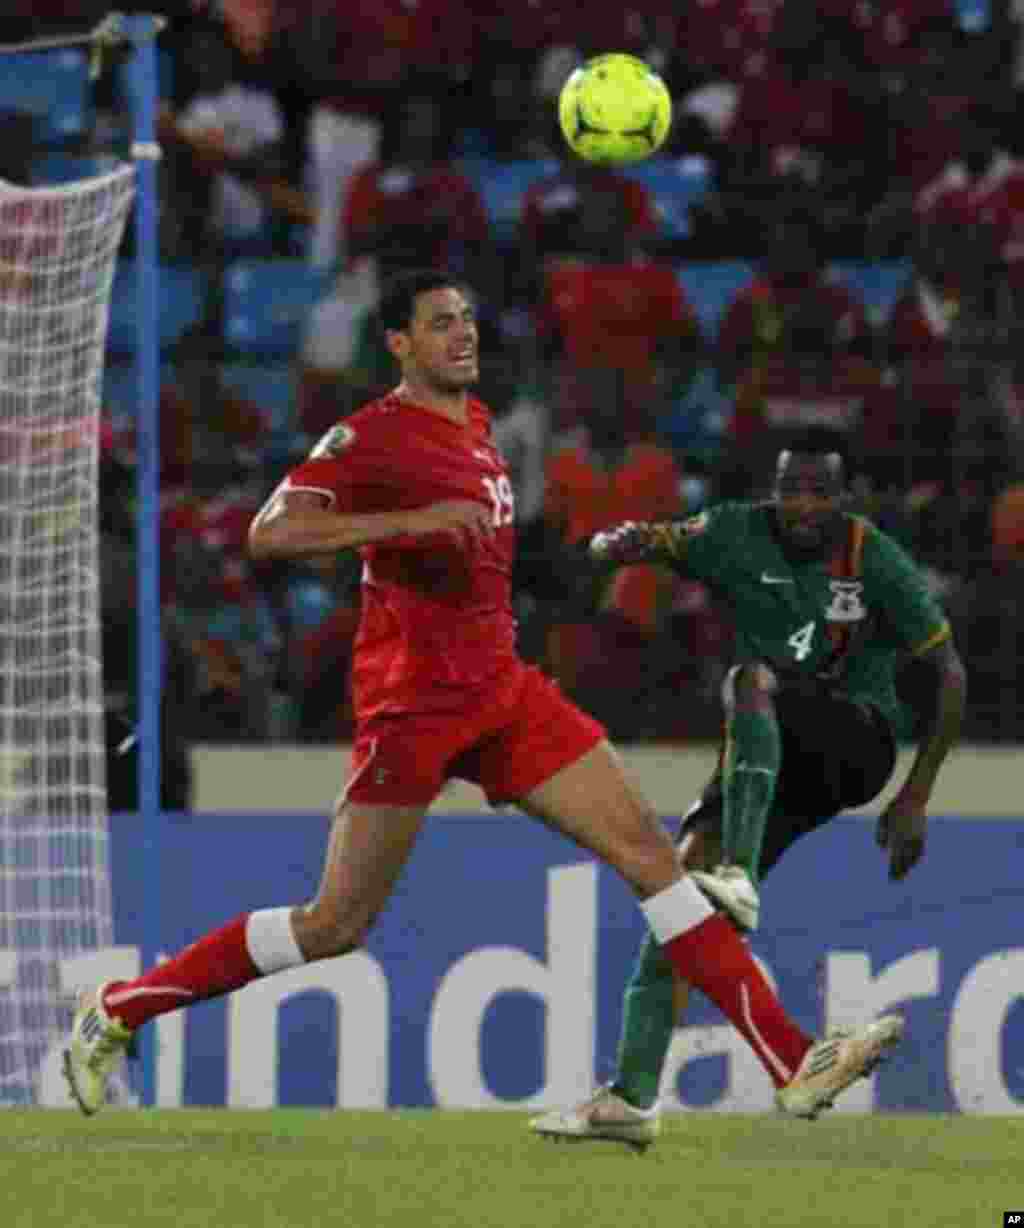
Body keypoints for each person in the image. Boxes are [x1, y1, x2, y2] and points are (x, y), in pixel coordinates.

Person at [63, 273, 901, 1119]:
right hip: (414, 707)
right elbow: (270, 534)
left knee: (654, 859)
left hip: (504, 693)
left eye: (466, 318)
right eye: (439, 323)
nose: (462, 333)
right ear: (399, 343)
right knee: (333, 925)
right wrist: (404, 523)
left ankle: (792, 1061)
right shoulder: (370, 436)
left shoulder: (475, 423)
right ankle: (119, 1010)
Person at [529, 427, 966, 1148]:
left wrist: (917, 795)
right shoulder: (734, 531)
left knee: (747, 680)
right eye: (791, 488)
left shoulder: (873, 557)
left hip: (854, 742)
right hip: (769, 754)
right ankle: (632, 1096)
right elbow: (660, 539)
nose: (803, 505)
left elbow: (949, 673)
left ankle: (737, 871)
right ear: (773, 489)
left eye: (820, 491)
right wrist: (618, 543)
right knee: (676, 900)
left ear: (846, 496)